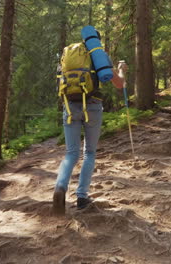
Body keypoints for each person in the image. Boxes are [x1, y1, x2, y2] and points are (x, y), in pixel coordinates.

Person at [52, 44, 127, 214]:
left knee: (71, 153)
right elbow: (119, 84)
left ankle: (60, 187)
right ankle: (82, 196)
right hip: (92, 107)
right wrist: (122, 69)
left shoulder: (67, 57)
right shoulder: (98, 56)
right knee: (89, 153)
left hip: (70, 107)